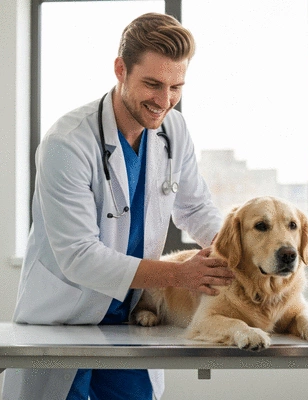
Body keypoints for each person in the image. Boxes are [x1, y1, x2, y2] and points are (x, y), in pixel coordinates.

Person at [2, 12, 233, 400]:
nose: (164, 101)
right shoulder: (68, 143)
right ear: (120, 69)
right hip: (66, 318)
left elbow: (196, 210)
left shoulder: (173, 131)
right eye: (153, 84)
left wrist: (242, 250)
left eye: (176, 87)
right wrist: (181, 275)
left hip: (129, 320)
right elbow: (79, 256)